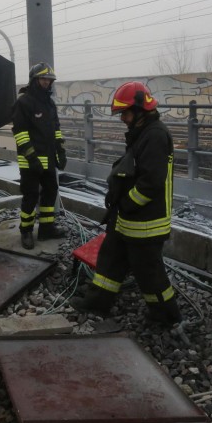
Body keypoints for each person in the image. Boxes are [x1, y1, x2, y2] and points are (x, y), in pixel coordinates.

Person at [70, 81, 182, 327]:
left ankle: (166, 316)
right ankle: (97, 302)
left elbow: (151, 182)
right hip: (128, 219)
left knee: (149, 273)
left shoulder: (155, 136)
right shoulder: (143, 132)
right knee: (111, 259)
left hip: (146, 222)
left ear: (140, 109)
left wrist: (126, 203)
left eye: (125, 113)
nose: (122, 119)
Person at [10, 62, 67, 249]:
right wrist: (31, 157)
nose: (47, 82)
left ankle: (46, 229)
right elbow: (20, 133)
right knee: (31, 196)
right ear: (35, 80)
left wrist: (60, 151)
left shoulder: (49, 104)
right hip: (30, 162)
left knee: (50, 192)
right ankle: (25, 231)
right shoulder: (24, 102)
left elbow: (56, 129)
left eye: (49, 80)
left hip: (48, 160)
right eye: (43, 79)